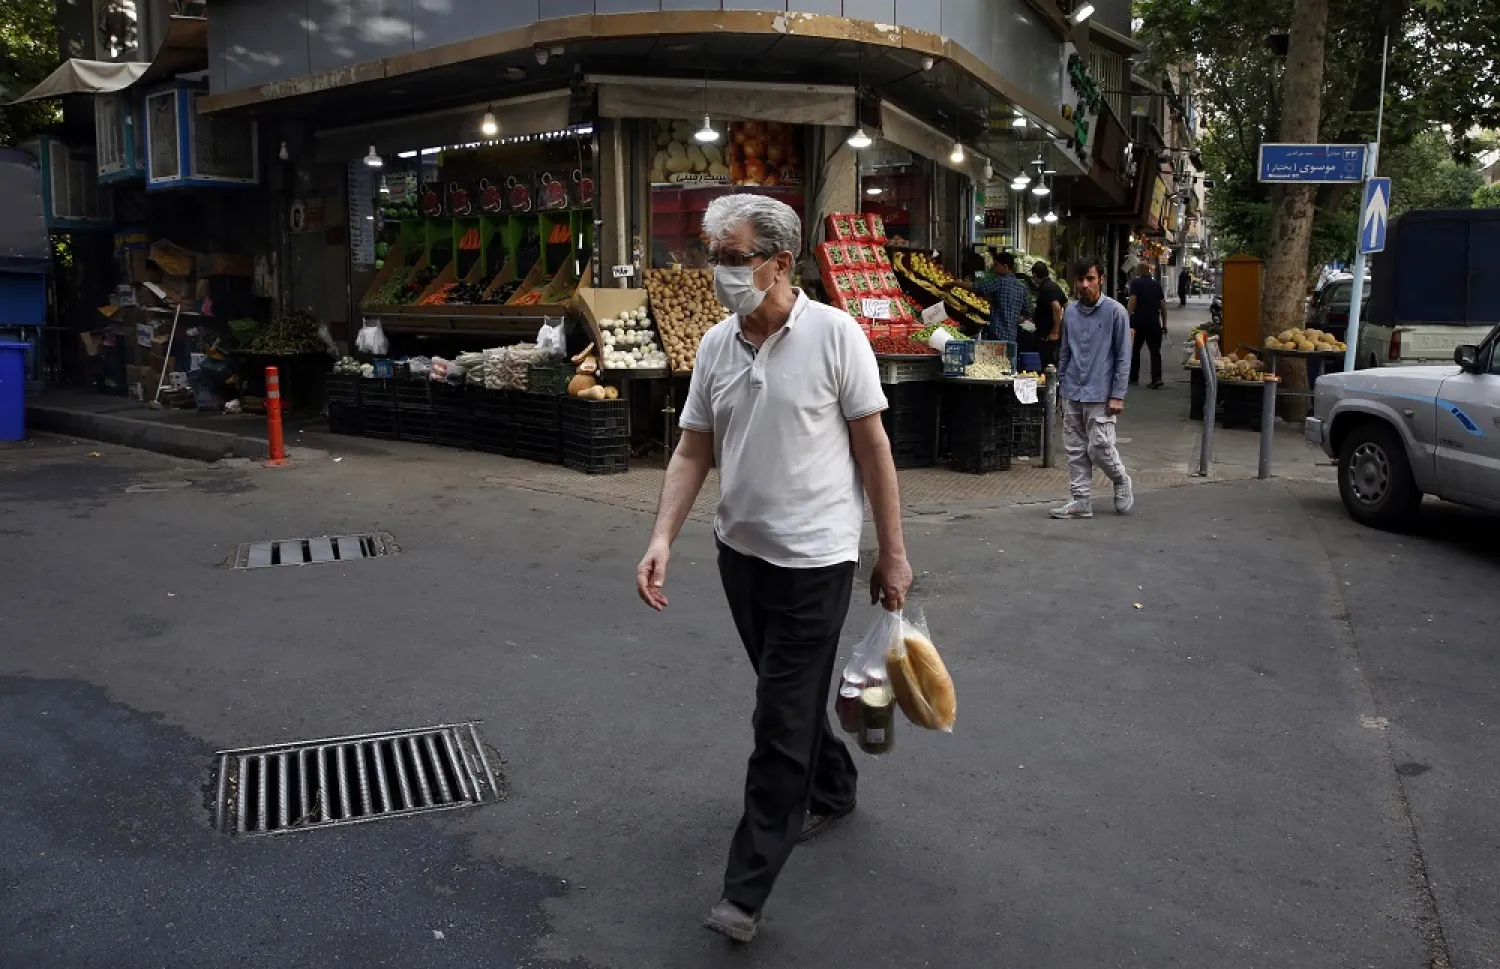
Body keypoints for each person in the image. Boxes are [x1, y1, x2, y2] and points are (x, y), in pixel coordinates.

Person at [635, 194, 913, 945]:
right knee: (784, 695)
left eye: (730, 257)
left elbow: (873, 449)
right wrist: (662, 536)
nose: (717, 271)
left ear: (780, 263)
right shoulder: (718, 347)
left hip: (816, 562)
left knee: (777, 717)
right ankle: (834, 782)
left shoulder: (836, 336)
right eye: (711, 255)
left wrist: (893, 553)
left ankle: (745, 888)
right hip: (742, 558)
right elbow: (693, 447)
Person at [1051, 256, 1133, 520]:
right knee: (1075, 449)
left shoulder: (1116, 312)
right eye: (1081, 280)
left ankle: (1120, 479)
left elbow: (1123, 356)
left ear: (1101, 280)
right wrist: (1062, 389)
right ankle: (1080, 499)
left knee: (1099, 446)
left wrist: (1118, 394)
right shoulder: (1071, 312)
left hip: (1101, 391)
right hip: (1073, 389)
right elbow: (1064, 353)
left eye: (1091, 279)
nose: (1085, 285)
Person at [950, 249, 1029, 346]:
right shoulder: (1022, 287)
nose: (994, 269)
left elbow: (978, 287)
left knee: (994, 358)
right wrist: (1011, 320)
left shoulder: (999, 282)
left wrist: (955, 283)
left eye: (996, 265)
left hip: (997, 334)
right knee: (1007, 359)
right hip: (1012, 336)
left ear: (1005, 266)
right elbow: (1026, 313)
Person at [1127, 263, 1167, 390]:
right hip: (1154, 322)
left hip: (1138, 321)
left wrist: (1126, 318)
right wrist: (1164, 323)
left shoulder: (1135, 283)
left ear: (1139, 271)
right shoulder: (1156, 285)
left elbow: (1133, 300)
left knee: (1135, 350)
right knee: (1155, 352)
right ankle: (1156, 378)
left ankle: (1133, 377)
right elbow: (1163, 306)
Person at [1030, 261, 1068, 371]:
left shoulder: (1046, 288)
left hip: (1049, 336)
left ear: (1034, 276)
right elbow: (1066, 305)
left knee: (1049, 365)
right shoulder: (1054, 286)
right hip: (1051, 334)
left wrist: (1055, 330)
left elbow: (1056, 308)